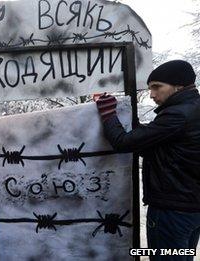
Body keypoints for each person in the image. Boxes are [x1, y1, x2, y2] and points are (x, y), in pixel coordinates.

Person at [95, 60, 200, 260]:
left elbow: (123, 143)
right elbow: (160, 143)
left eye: (157, 87)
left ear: (178, 86)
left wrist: (109, 114)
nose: (152, 94)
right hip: (191, 208)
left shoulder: (177, 115)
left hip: (171, 212)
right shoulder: (192, 109)